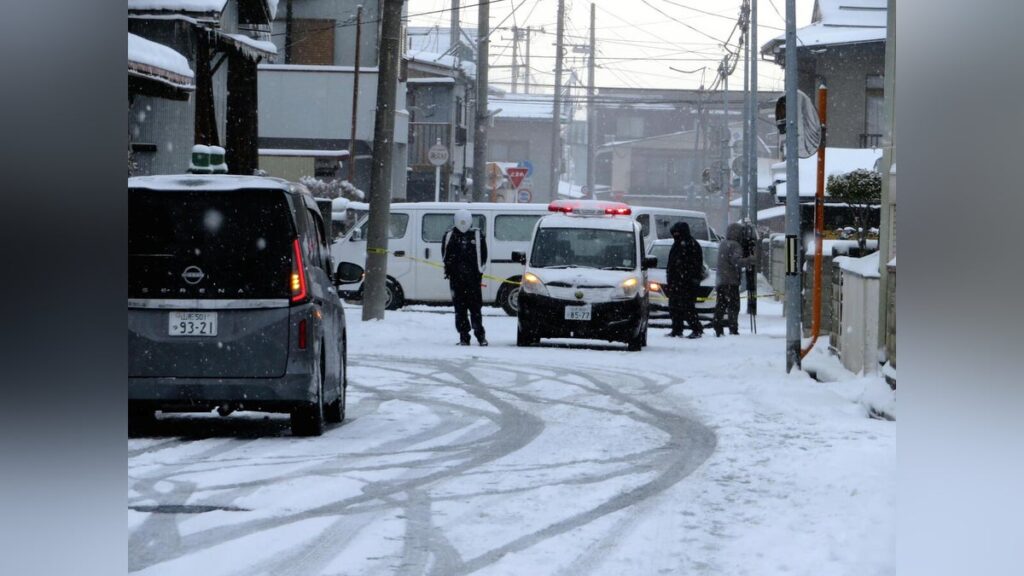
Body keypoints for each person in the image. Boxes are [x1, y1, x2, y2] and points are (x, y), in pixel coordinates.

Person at [442, 209, 488, 346]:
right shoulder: (450, 235)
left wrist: (478, 272)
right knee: (460, 310)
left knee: (475, 309)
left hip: (473, 280)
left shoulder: (477, 235)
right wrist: (451, 270)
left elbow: (483, 255)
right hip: (456, 281)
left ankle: (480, 336)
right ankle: (464, 336)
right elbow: (445, 255)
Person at [713, 222, 756, 337]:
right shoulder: (735, 245)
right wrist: (750, 260)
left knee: (721, 305)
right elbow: (736, 261)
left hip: (721, 280)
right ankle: (733, 328)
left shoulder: (722, 244)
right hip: (731, 281)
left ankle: (717, 326)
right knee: (733, 306)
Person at [666, 221, 704, 339]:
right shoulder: (677, 244)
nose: (675, 235)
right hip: (676, 281)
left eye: (677, 233)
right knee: (674, 306)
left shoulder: (691, 245)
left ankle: (696, 329)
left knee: (687, 307)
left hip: (687, 283)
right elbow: (672, 263)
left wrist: (688, 278)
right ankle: (677, 329)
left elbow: (695, 265)